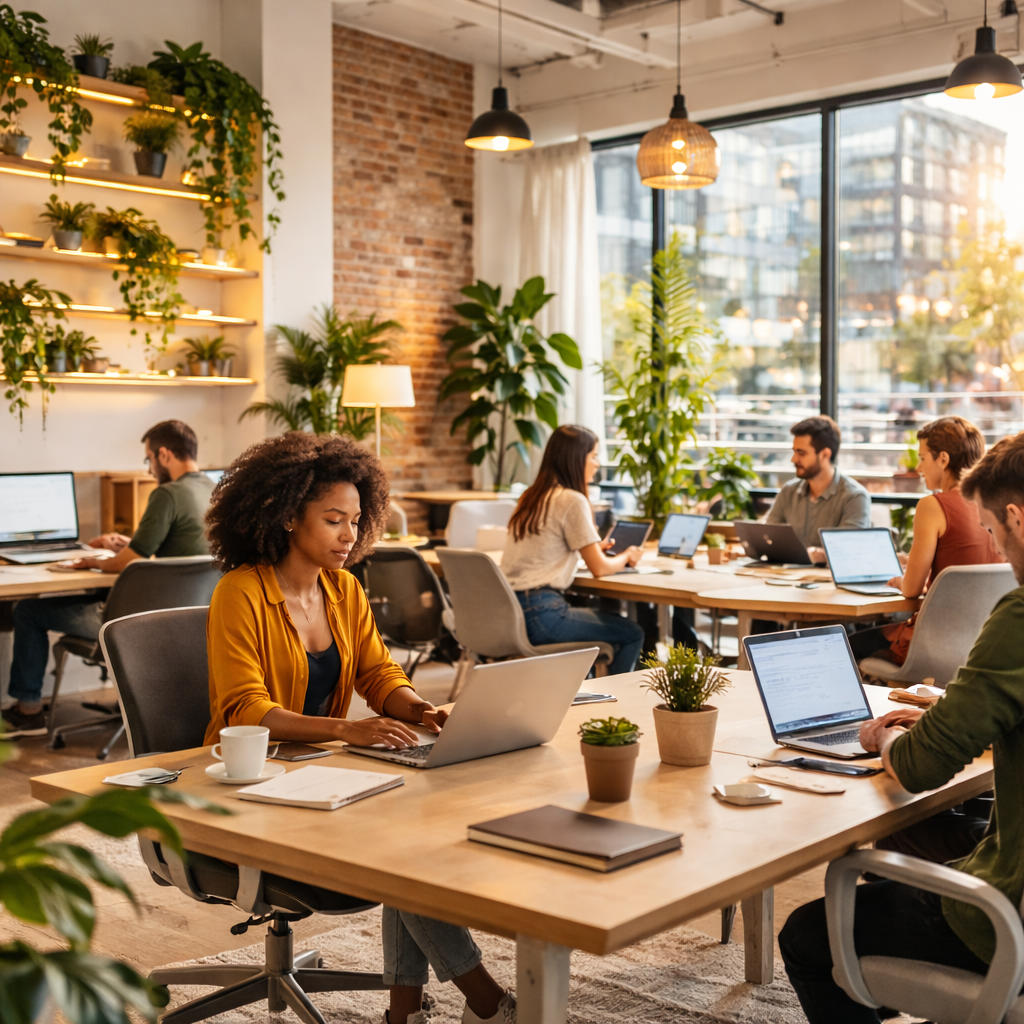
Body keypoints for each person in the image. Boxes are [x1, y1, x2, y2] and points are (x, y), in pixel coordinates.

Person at [203, 432, 515, 1024]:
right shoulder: (239, 592)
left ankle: (403, 1015)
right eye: (332, 520)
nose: (350, 535)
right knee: (401, 845)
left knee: (413, 830)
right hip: (253, 788)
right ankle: (486, 1001)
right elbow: (245, 709)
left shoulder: (342, 587)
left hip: (320, 776)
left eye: (355, 519)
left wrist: (422, 709)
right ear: (289, 517)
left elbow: (378, 674)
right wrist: (347, 733)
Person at [778, 430, 1024, 1024]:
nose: (994, 545)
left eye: (991, 529)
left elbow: (918, 769)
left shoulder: (1020, 618)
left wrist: (884, 736)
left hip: (1007, 917)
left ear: (1016, 517)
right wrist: (953, 719)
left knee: (807, 936)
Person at [2, 420, 214, 739]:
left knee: (28, 610)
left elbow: (126, 564)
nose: (149, 469)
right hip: (192, 621)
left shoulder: (167, 494)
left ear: (165, 454)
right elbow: (173, 554)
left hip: (136, 622)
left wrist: (86, 560)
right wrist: (126, 545)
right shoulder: (212, 489)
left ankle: (29, 712)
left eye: (149, 459)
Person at [849, 415, 1001, 666]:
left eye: (922, 458)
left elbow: (910, 589)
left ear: (943, 459)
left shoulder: (933, 505)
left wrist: (899, 579)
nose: (918, 469)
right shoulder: (994, 504)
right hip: (984, 641)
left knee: (848, 644)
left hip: (934, 640)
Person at [501, 425, 646, 675]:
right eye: (593, 455)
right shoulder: (571, 499)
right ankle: (616, 704)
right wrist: (627, 556)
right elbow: (599, 568)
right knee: (632, 634)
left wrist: (589, 547)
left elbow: (545, 546)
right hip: (543, 614)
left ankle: (589, 690)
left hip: (511, 613)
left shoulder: (531, 496)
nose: (598, 464)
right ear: (576, 459)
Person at [766, 415, 871, 564]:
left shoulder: (855, 497)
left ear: (825, 455)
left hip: (828, 583)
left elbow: (848, 552)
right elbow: (769, 537)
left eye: (801, 453)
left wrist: (812, 555)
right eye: (794, 451)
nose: (794, 459)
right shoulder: (788, 491)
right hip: (785, 578)